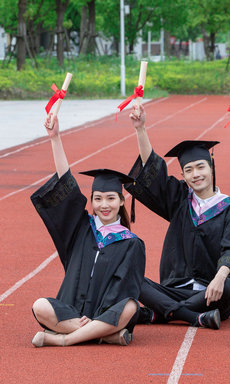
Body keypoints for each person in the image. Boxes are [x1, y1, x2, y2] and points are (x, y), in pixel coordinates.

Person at [125, 104, 230, 329]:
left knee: (229, 287)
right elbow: (155, 176)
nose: (196, 174)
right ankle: (190, 316)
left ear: (211, 167)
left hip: (212, 292)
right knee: (129, 275)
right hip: (176, 287)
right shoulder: (180, 200)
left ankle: (160, 313)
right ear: (182, 174)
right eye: (189, 170)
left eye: (201, 167)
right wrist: (140, 129)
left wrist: (220, 278)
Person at [30, 114, 145, 347]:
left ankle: (63, 340)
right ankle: (103, 335)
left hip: (105, 312)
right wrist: (55, 138)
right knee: (40, 306)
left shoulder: (131, 243)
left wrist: (101, 314)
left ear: (122, 201)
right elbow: (66, 185)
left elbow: (125, 288)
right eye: (98, 198)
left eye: (111, 198)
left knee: (131, 307)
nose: (104, 205)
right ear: (91, 200)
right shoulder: (82, 228)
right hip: (73, 309)